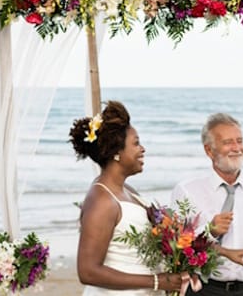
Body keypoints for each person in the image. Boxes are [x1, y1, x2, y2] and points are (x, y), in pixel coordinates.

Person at [72, 101, 185, 295]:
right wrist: (156, 281)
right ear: (116, 152)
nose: (142, 149)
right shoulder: (102, 200)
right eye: (136, 143)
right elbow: (88, 271)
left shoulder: (128, 190)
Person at [171, 113, 243, 295]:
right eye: (228, 142)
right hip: (205, 289)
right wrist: (210, 232)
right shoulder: (187, 190)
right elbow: (176, 249)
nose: (237, 148)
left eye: (240, 141)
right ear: (209, 150)